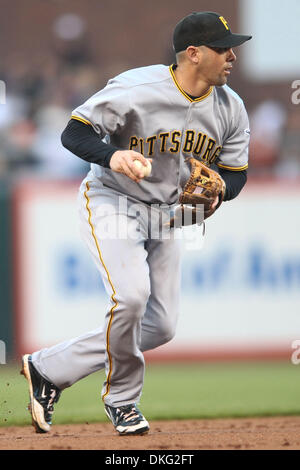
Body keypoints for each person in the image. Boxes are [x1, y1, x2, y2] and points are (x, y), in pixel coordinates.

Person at [21, 11, 251, 435]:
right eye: (223, 48)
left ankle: (48, 368)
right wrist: (113, 156)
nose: (232, 55)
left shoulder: (231, 108)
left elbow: (236, 173)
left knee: (161, 325)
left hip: (166, 215)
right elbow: (73, 132)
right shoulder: (137, 88)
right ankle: (123, 400)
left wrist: (222, 188)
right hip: (114, 199)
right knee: (131, 297)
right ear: (194, 54)